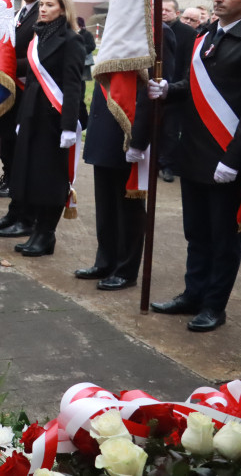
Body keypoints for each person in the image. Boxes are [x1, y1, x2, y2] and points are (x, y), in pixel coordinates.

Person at [148, 0, 241, 337]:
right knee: (196, 232)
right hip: (194, 151)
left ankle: (214, 306)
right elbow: (196, 86)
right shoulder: (206, 34)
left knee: (223, 238)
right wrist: (169, 89)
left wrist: (234, 159)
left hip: (226, 156)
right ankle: (192, 294)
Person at [76, 25, 175, 290]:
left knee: (128, 208)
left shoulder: (157, 31)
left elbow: (153, 91)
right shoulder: (119, 22)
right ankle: (105, 261)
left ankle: (125, 269)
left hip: (129, 132)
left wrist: (139, 140)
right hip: (104, 129)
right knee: (105, 205)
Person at [8, 0, 86, 257]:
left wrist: (68, 126)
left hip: (54, 119)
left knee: (50, 179)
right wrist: (21, 118)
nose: (43, 9)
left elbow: (74, 85)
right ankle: (36, 231)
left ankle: (46, 234)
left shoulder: (71, 40)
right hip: (32, 115)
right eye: (42, 4)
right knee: (33, 175)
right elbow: (31, 83)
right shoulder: (36, 38)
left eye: (50, 5)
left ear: (63, 10)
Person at [0, 0, 47, 236]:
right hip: (11, 94)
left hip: (28, 94)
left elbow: (38, 56)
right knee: (10, 156)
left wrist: (6, 67)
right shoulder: (18, 12)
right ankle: (14, 212)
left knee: (25, 161)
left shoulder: (43, 16)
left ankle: (26, 216)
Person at [159, 0, 197, 183]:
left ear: (177, 13)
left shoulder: (188, 33)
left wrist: (179, 84)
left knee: (170, 130)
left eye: (168, 9)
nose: (163, 12)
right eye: (161, 9)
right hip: (153, 88)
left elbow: (188, 61)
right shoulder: (152, 30)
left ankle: (167, 165)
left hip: (176, 89)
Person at [77, 16, 96, 81]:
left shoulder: (87, 34)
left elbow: (92, 46)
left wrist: (81, 49)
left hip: (85, 61)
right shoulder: (71, 33)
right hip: (74, 61)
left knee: (82, 81)